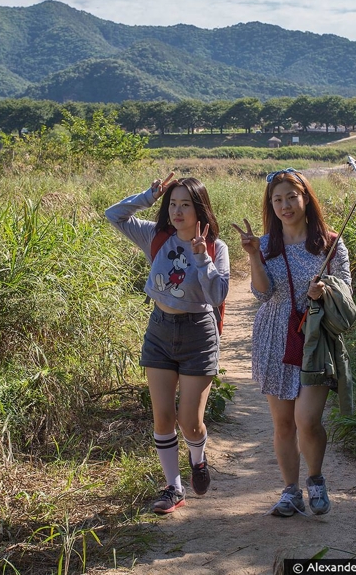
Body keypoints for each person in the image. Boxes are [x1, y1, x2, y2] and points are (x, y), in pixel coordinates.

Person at [106, 173, 230, 514]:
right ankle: (173, 488)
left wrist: (202, 257)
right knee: (162, 417)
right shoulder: (156, 236)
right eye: (172, 204)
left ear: (200, 209)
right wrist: (149, 194)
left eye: (185, 205)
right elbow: (113, 215)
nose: (177, 211)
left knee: (190, 420)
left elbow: (218, 294)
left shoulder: (217, 248)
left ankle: (198, 459)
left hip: (198, 335)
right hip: (159, 330)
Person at [232, 167, 352, 517]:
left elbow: (347, 292)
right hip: (274, 335)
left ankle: (315, 479)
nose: (285, 205)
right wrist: (253, 254)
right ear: (271, 205)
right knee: (283, 423)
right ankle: (290, 492)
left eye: (291, 197)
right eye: (277, 199)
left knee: (307, 420)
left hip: (316, 339)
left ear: (305, 199)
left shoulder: (330, 243)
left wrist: (324, 289)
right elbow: (261, 293)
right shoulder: (267, 244)